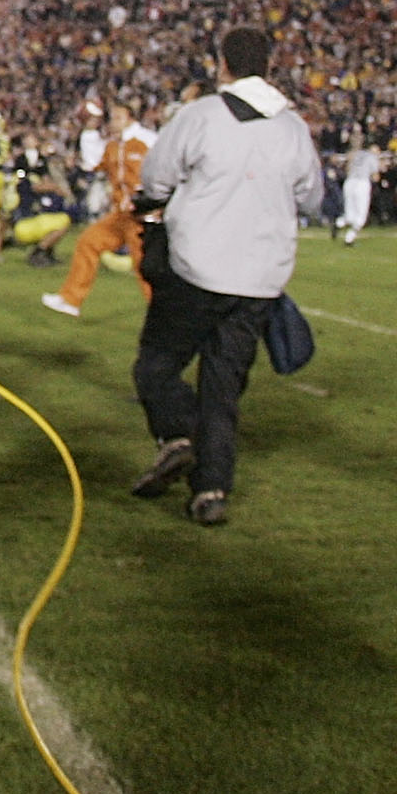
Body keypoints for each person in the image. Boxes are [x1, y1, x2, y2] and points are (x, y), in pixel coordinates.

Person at [125, 28, 325, 524]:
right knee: (223, 389)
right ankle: (211, 491)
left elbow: (155, 179)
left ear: (222, 64)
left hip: (197, 270)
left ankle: (177, 437)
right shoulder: (292, 129)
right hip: (259, 279)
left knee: (156, 367)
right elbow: (313, 199)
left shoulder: (201, 115)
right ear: (269, 66)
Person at [46, 99, 154, 317]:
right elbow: (93, 162)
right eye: (112, 117)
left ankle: (162, 317)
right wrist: (88, 130)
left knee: (144, 268)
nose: (113, 122)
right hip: (122, 215)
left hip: (143, 217)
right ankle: (71, 299)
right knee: (88, 241)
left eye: (117, 117)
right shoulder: (114, 145)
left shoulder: (148, 140)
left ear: (130, 117)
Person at [338, 137, 382, 244]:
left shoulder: (356, 154)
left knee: (350, 213)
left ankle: (339, 223)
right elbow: (376, 177)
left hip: (350, 182)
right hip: (362, 183)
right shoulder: (371, 157)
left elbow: (347, 168)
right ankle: (349, 238)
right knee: (361, 216)